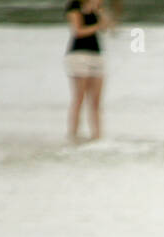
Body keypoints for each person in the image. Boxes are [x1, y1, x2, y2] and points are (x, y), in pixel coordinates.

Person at [64, 0, 110, 142]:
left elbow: (107, 27)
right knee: (79, 97)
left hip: (96, 55)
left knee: (96, 100)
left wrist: (99, 11)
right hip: (79, 55)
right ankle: (73, 134)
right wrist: (97, 26)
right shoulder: (75, 7)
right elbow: (78, 31)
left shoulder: (97, 8)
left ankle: (97, 135)